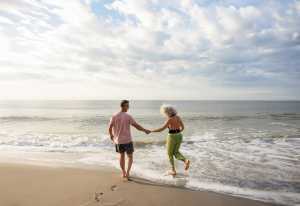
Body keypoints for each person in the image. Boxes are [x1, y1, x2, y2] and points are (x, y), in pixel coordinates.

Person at [108, 100, 150, 179]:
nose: (128, 107)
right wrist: (145, 130)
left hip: (118, 141)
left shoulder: (114, 116)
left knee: (121, 156)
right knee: (130, 157)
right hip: (127, 140)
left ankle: (123, 172)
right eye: (127, 106)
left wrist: (111, 136)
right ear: (123, 106)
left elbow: (110, 127)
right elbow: (136, 126)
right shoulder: (128, 116)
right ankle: (127, 173)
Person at [151, 104, 190, 176]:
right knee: (176, 152)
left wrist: (151, 131)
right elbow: (183, 127)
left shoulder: (169, 120)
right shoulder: (178, 117)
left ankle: (173, 170)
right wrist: (177, 132)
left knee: (169, 154)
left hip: (172, 136)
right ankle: (185, 160)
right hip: (179, 135)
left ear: (167, 113)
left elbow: (161, 129)